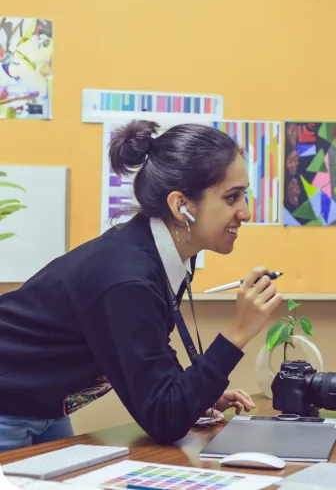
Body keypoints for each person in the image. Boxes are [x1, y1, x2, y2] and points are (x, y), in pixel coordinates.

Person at [0, 120, 283, 452]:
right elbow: (164, 419)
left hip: (41, 407)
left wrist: (195, 393)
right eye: (232, 197)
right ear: (181, 206)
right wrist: (237, 333)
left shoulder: (158, 255)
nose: (245, 213)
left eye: (244, 195)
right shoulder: (127, 278)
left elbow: (152, 356)